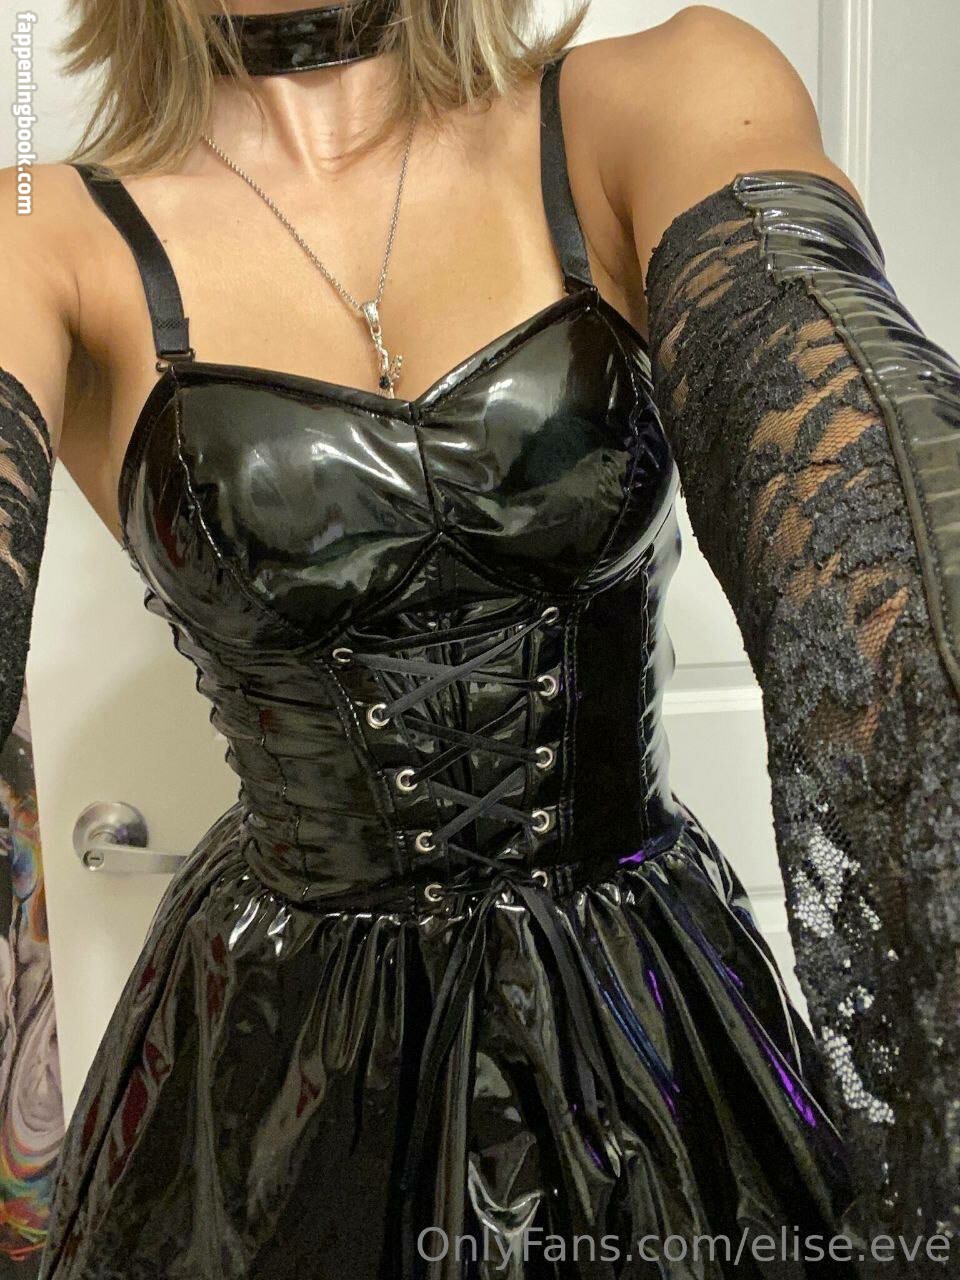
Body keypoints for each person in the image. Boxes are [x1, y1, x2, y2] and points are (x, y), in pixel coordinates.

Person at [1, 1, 956, 1275]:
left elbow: (872, 501)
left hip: (648, 1025)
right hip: (279, 1073)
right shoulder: (39, 236)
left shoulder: (657, 98)